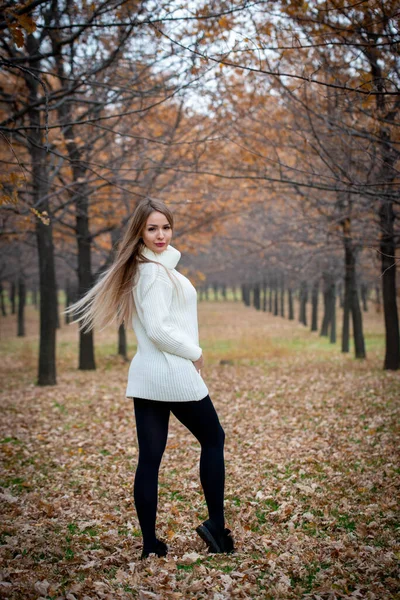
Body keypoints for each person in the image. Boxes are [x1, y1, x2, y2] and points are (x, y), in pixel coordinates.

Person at [66, 198, 234, 560]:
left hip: (147, 375)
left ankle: (150, 547)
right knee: (214, 438)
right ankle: (216, 528)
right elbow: (158, 329)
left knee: (150, 458)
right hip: (172, 372)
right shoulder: (153, 273)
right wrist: (195, 353)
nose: (161, 235)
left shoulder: (149, 268)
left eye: (166, 227)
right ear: (140, 233)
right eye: (152, 228)